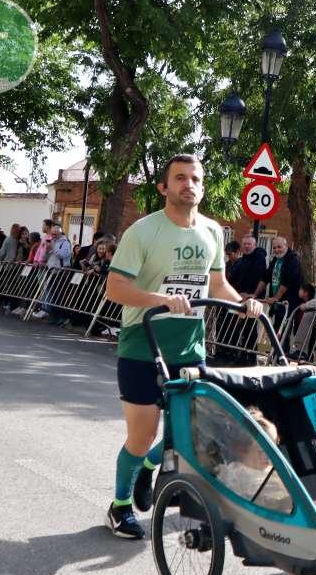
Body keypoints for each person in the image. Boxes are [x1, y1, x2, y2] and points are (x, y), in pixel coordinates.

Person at [102, 154, 263, 539]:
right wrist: (160, 298)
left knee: (187, 431)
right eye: (179, 178)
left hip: (190, 346)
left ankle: (147, 468)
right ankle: (120, 506)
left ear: (202, 187)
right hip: (144, 343)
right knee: (142, 435)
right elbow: (115, 289)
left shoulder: (211, 232)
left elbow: (217, 284)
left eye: (194, 179)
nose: (188, 184)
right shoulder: (143, 231)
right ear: (163, 187)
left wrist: (243, 303)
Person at [255, 235, 304, 324]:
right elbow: (265, 278)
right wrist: (255, 294)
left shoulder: (293, 259)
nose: (277, 250)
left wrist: (276, 298)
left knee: (282, 333)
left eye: (279, 247)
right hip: (277, 304)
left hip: (288, 303)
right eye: (274, 248)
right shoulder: (276, 259)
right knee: (276, 331)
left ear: (286, 246)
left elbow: (287, 281)